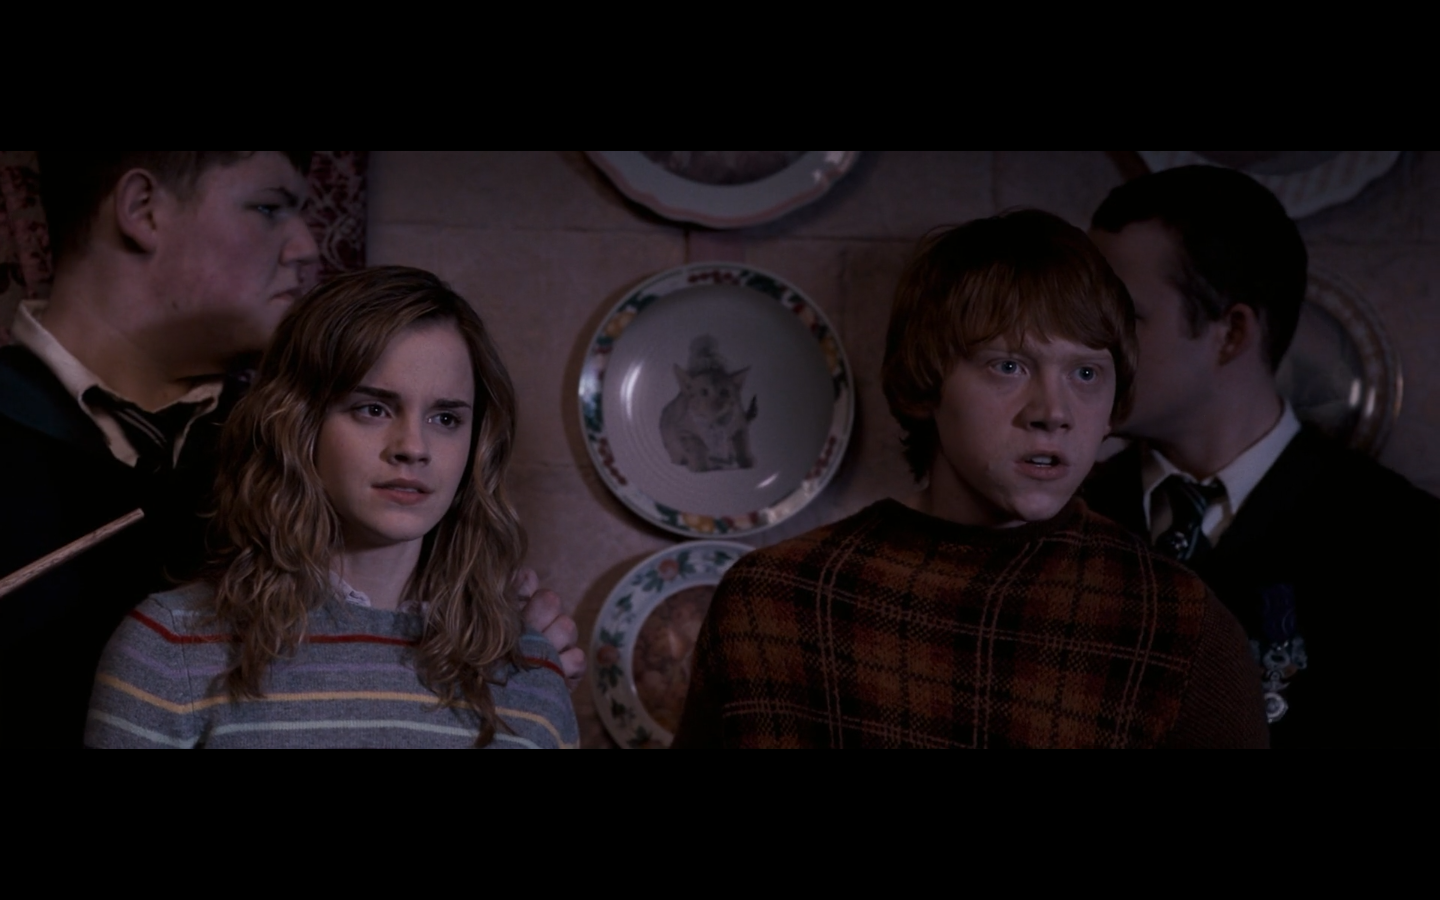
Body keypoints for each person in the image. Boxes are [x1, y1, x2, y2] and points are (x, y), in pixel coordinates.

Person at [0, 152, 579, 748]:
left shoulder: (251, 445)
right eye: (267, 207)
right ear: (142, 209)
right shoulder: (172, 630)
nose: (307, 248)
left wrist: (509, 656)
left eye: (447, 418)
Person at [672, 209, 1268, 749]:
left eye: (1086, 373)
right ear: (924, 383)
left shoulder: (1174, 629)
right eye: (1009, 366)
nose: (1053, 411)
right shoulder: (775, 601)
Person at [85, 267, 578, 748]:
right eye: (373, 409)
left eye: (446, 418)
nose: (413, 447)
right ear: (298, 425)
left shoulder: (530, 673)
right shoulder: (170, 652)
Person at [1084, 165, 1440, 748]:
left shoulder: (1405, 544)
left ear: (1231, 333)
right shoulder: (1054, 518)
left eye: (1125, 314)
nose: (1084, 341)